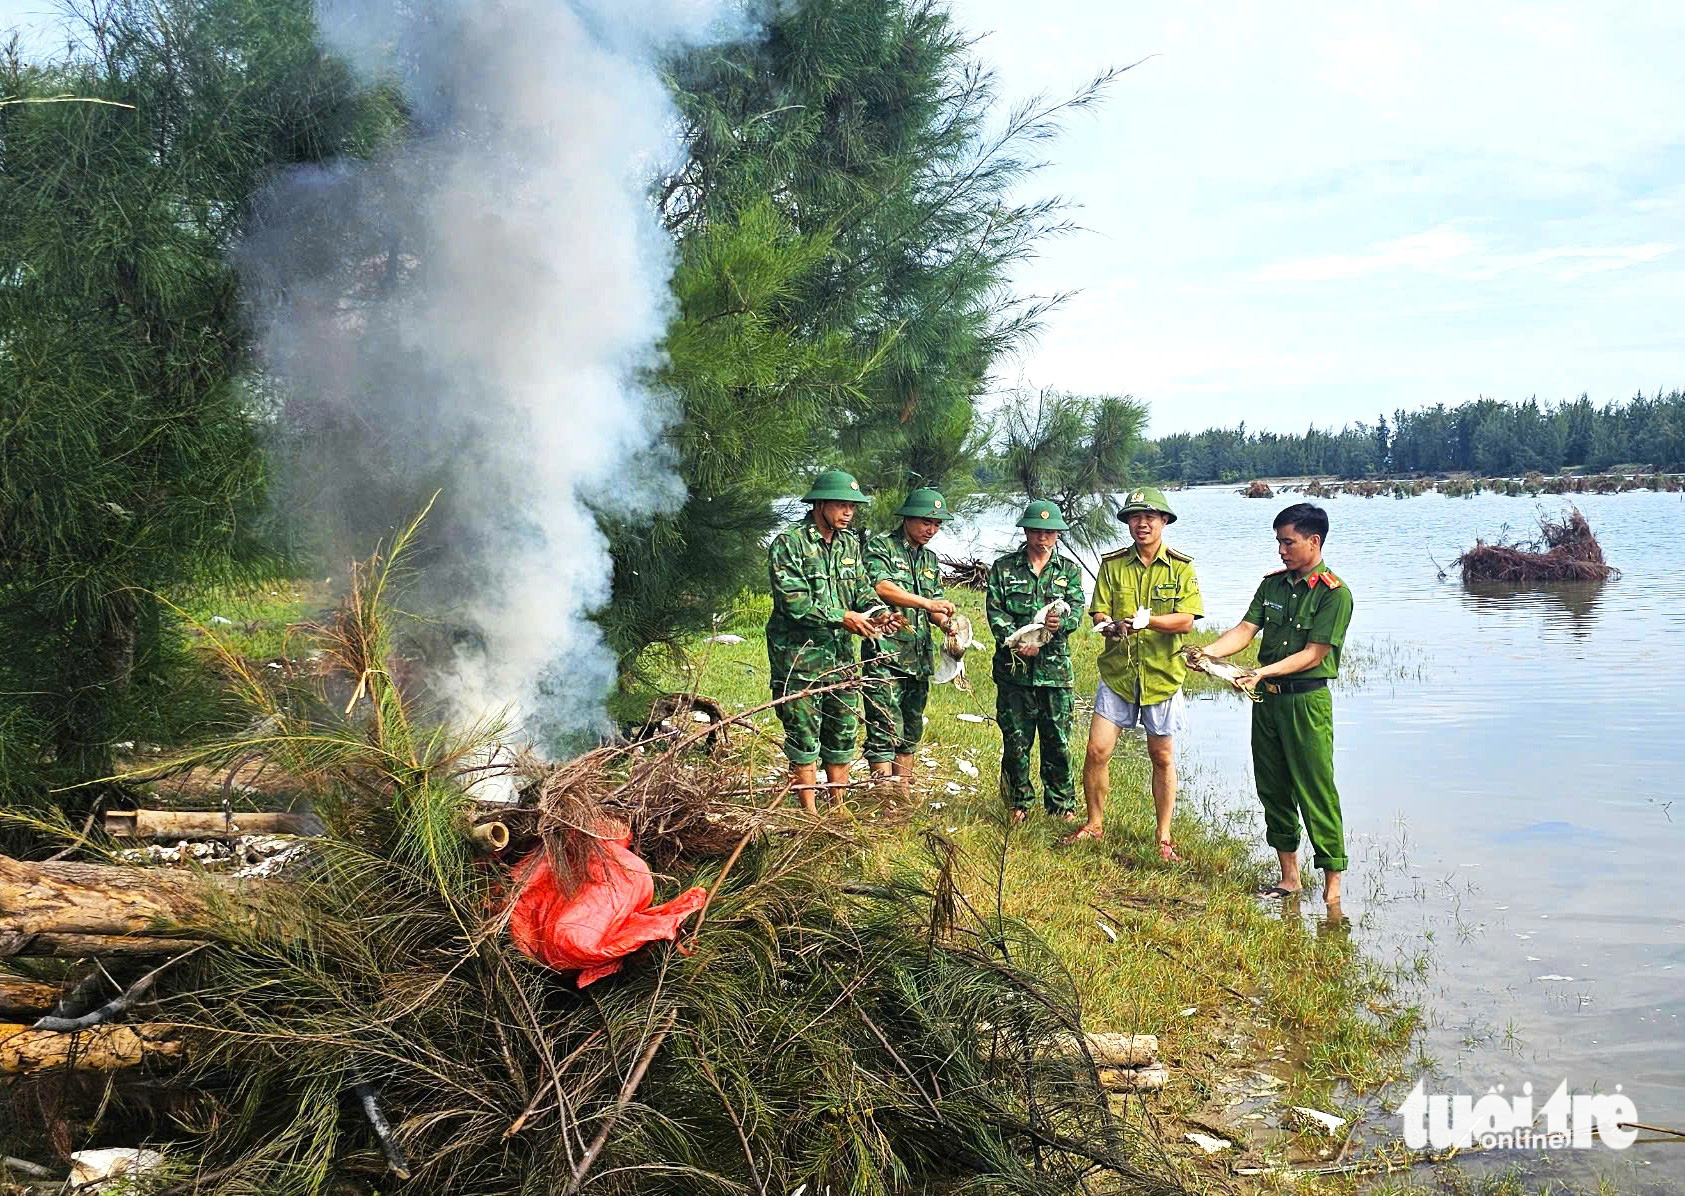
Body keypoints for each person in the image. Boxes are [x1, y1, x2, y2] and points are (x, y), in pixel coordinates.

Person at [1198, 503, 1354, 909]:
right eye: (1279, 542)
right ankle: (1290, 878)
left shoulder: (1334, 595)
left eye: (1289, 542)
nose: (1281, 551)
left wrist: (1263, 672)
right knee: (1273, 788)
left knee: (1315, 789)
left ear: (1313, 541)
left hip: (1306, 702)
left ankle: (1333, 886)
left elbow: (1314, 654)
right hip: (1266, 703)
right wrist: (1209, 654)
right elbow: (1246, 629)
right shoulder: (1273, 585)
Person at [1066, 486, 1203, 857]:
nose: (1141, 524)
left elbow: (1187, 620)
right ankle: (1094, 825)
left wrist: (1150, 622)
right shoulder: (1112, 565)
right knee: (1096, 750)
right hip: (1118, 674)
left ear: (1164, 522)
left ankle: (1163, 837)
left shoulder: (1181, 567)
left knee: (1161, 756)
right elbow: (1098, 612)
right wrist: (1108, 625)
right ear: (1127, 522)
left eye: (1150, 517)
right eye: (1134, 517)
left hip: (1161, 675)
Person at [766, 469, 884, 812]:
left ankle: (837, 804)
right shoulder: (789, 544)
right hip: (800, 660)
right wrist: (844, 618)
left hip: (841, 659)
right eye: (842, 505)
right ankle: (809, 810)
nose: (849, 512)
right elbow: (794, 604)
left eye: (853, 506)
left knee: (842, 730)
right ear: (820, 503)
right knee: (803, 735)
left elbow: (861, 589)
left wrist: (877, 612)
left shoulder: (850, 543)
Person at [985, 501, 1085, 824]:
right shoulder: (1004, 568)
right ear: (1026, 531)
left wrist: (1057, 629)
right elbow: (995, 612)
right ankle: (1017, 803)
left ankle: (1062, 805)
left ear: (1057, 534)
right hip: (1014, 671)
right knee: (1015, 739)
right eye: (1037, 531)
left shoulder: (1068, 571)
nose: (1043, 537)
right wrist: (1018, 642)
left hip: (1054, 672)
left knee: (1058, 740)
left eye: (1050, 532)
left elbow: (1076, 610)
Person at [862, 487, 958, 789]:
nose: (931, 529)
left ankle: (901, 795)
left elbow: (935, 604)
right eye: (925, 522)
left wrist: (945, 622)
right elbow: (882, 587)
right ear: (907, 519)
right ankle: (882, 794)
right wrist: (927, 603)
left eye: (937, 524)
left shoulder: (929, 559)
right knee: (882, 726)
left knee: (910, 728)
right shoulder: (882, 547)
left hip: (918, 659)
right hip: (885, 655)